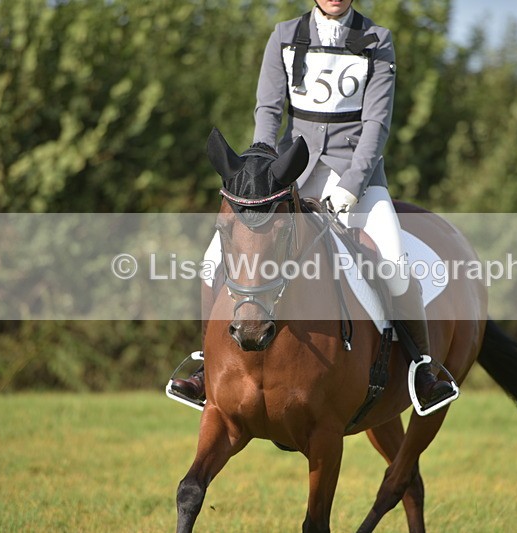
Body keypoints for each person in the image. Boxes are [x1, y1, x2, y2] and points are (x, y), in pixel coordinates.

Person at [171, 0, 457, 413]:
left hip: (358, 176)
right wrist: (263, 167)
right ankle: (204, 364)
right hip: (293, 173)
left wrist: (352, 187)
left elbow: (376, 126)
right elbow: (269, 111)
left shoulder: (377, 40)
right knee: (212, 258)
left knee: (394, 263)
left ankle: (423, 371)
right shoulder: (284, 35)